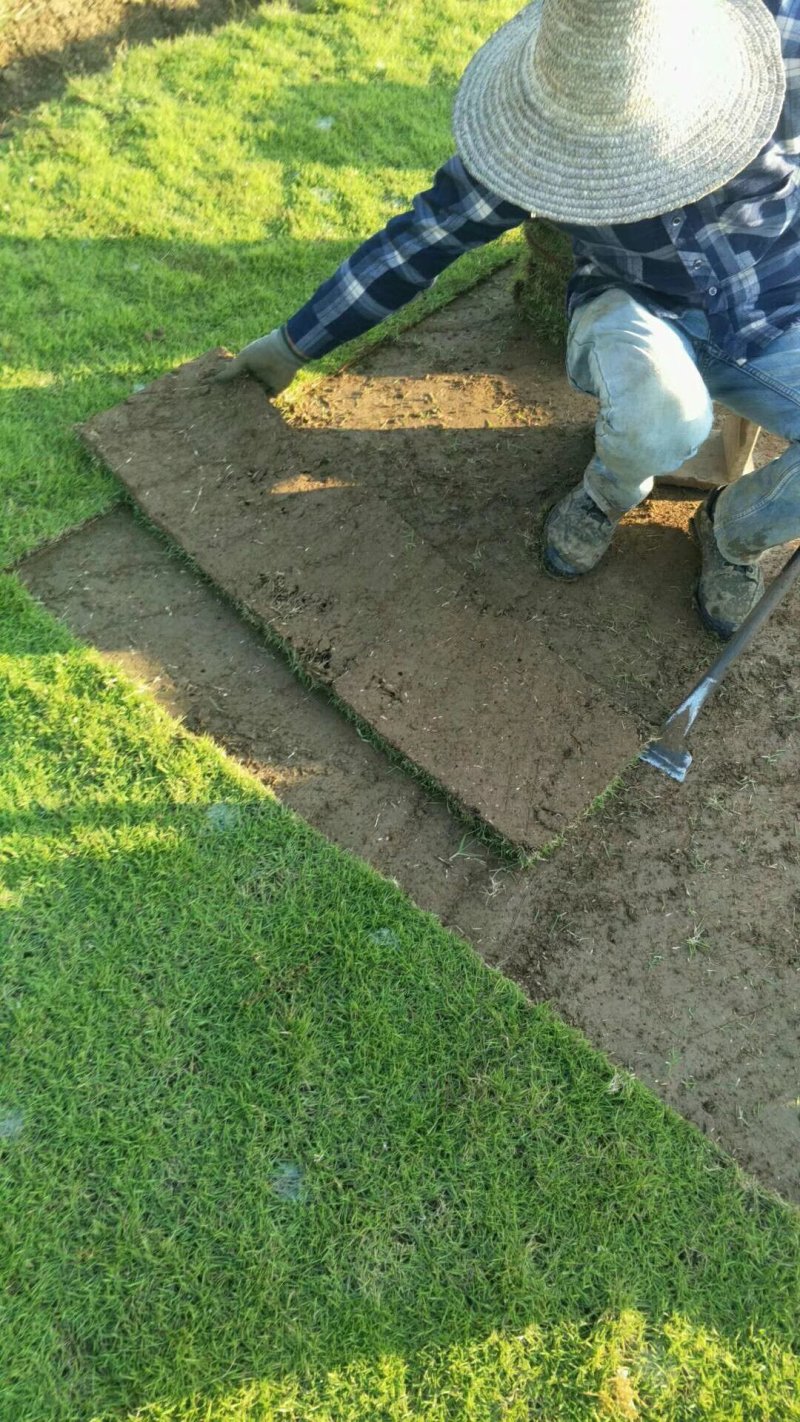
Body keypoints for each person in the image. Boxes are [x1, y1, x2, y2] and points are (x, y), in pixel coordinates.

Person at [216, 0, 800, 640]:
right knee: (657, 421)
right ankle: (607, 494)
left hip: (779, 301)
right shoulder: (527, 142)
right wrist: (293, 344)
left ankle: (735, 532)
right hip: (632, 302)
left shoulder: (779, 50)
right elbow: (419, 241)